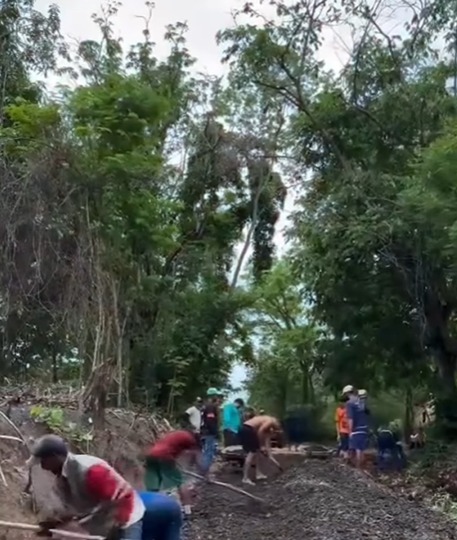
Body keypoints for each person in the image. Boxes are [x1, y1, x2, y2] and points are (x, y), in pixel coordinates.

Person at [31, 434, 144, 540]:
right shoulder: (62, 480)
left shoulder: (91, 471)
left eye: (43, 462)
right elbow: (71, 511)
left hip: (126, 517)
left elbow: (121, 498)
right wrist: (55, 524)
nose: (43, 467)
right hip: (103, 519)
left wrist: (112, 530)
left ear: (55, 457)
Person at [144, 429, 203, 517]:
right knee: (181, 483)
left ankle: (148, 509)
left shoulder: (177, 434)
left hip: (151, 455)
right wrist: (204, 473)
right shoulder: (190, 439)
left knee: (154, 485)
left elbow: (170, 448)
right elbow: (198, 458)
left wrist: (175, 464)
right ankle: (187, 511)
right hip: (164, 456)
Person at [238, 414, 281, 485]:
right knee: (252, 453)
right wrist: (261, 446)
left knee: (257, 452)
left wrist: (270, 456)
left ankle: (258, 474)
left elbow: (267, 441)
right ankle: (245, 478)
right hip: (247, 429)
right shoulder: (270, 421)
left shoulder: (267, 426)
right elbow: (260, 432)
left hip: (246, 429)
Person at [346, 387, 370, 468]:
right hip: (364, 429)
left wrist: (350, 431)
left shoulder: (350, 404)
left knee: (357, 450)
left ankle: (358, 469)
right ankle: (361, 469)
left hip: (356, 429)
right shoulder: (362, 405)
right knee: (361, 450)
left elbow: (350, 419)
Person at [200, 388, 220, 472]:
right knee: (208, 452)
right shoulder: (210, 406)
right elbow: (210, 420)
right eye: (215, 395)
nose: (217, 397)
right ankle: (204, 472)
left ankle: (204, 471)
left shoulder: (206, 406)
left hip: (205, 431)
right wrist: (215, 431)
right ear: (212, 396)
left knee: (207, 451)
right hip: (209, 432)